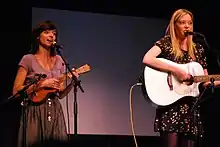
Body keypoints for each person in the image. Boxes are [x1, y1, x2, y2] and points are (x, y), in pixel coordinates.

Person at [142, 9, 215, 147]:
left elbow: (204, 81)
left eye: (190, 23)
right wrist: (176, 71)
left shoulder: (198, 49)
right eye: (182, 23)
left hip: (191, 109)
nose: (187, 26)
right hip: (171, 109)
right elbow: (147, 58)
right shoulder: (166, 43)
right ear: (175, 25)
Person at [13, 20, 78, 147]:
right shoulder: (28, 59)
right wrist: (41, 84)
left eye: (53, 33)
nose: (51, 36)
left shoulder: (59, 60)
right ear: (38, 36)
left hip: (54, 110)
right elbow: (16, 92)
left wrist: (72, 82)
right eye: (47, 32)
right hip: (34, 111)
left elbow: (61, 94)